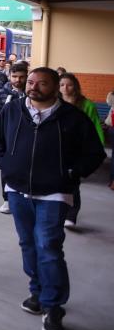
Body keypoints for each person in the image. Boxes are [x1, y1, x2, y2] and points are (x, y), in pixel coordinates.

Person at [0, 67, 105, 330]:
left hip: (54, 193)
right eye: (31, 82)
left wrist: (73, 173)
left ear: (55, 87)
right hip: (18, 190)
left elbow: (95, 153)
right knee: (27, 243)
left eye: (42, 83)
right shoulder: (13, 110)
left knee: (48, 246)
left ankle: (53, 306)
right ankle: (37, 293)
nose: (34, 87)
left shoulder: (72, 118)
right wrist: (5, 163)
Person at [58, 73, 105, 228]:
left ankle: (71, 214)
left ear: (76, 86)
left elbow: (95, 126)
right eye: (62, 84)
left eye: (69, 84)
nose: (65, 88)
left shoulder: (87, 105)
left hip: (78, 148)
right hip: (58, 148)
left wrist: (97, 147)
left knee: (73, 182)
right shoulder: (54, 102)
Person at [0, 61, 28, 215]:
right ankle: (7, 199)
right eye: (14, 76)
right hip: (9, 135)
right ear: (9, 76)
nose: (18, 80)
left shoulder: (31, 93)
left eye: (21, 77)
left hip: (27, 135)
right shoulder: (1, 93)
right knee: (7, 167)